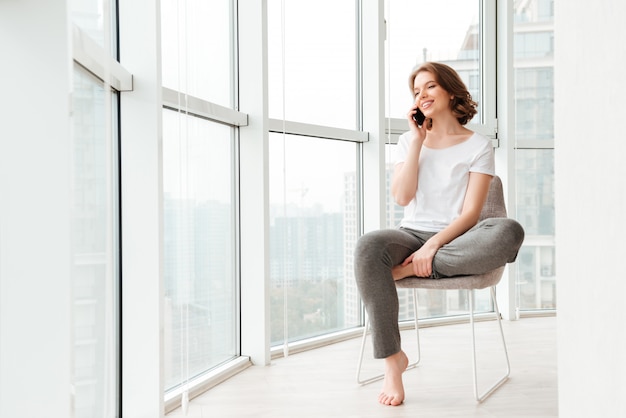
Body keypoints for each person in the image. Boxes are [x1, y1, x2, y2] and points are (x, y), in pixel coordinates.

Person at [354, 62, 524, 406]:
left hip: (458, 237)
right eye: (417, 91)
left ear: (449, 90)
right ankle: (393, 362)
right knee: (368, 247)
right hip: (411, 233)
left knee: (509, 230)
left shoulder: (478, 145)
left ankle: (403, 269)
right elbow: (402, 197)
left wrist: (433, 247)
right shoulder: (407, 141)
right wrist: (418, 142)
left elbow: (472, 214)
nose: (423, 95)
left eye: (430, 87)